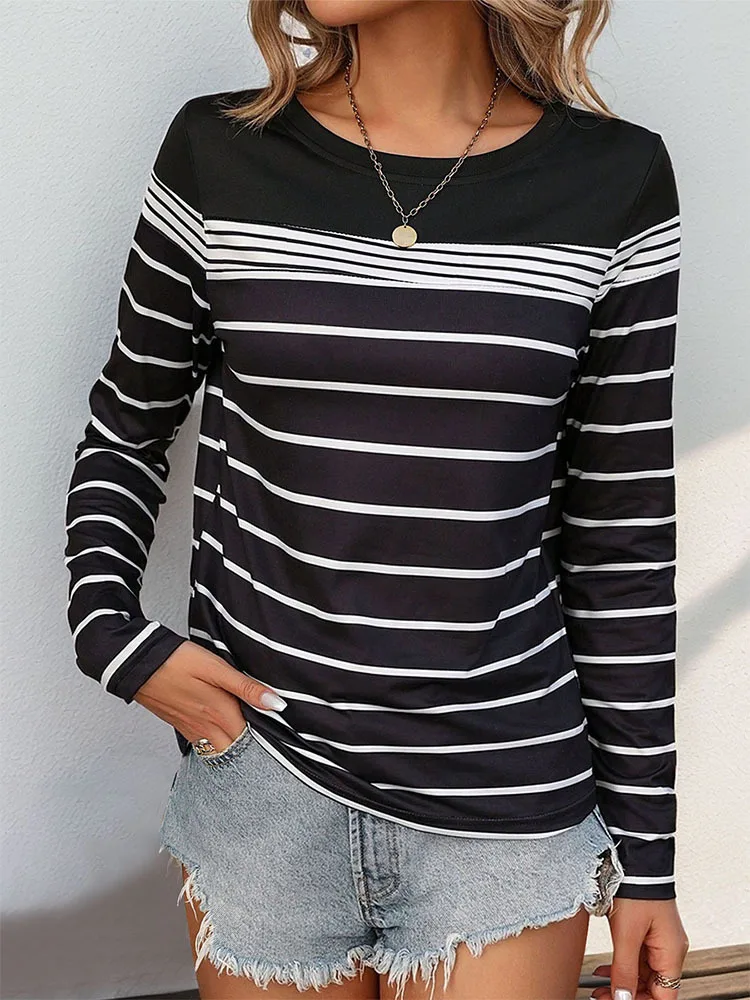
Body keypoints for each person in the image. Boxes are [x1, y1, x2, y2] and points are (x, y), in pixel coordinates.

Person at [63, 1, 690, 998]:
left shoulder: (615, 181)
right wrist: (111, 636)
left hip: (506, 802)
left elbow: (618, 537)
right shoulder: (219, 155)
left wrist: (649, 857)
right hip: (265, 779)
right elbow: (127, 428)